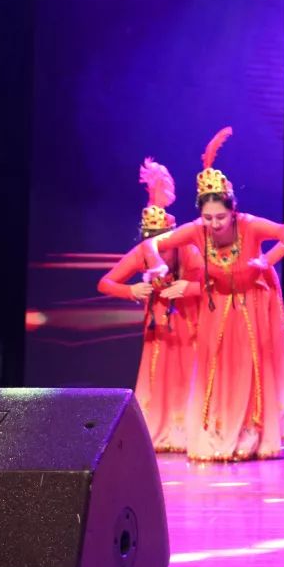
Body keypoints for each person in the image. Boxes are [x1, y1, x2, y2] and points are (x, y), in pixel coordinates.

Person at [143, 127, 284, 462]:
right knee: (219, 366)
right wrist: (156, 264)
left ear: (233, 211)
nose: (214, 224)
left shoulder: (250, 225)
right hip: (218, 305)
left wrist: (267, 260)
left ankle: (253, 433)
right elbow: (154, 243)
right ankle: (219, 429)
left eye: (221, 217)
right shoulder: (196, 231)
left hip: (253, 302)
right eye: (207, 217)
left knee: (250, 365)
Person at [98, 158, 202, 452]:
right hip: (158, 328)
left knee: (185, 374)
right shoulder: (143, 252)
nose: (157, 250)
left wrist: (186, 288)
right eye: (151, 242)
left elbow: (211, 284)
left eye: (161, 243)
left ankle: (187, 431)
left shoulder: (186, 249)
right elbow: (105, 282)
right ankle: (154, 431)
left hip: (187, 324)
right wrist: (130, 289)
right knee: (158, 377)